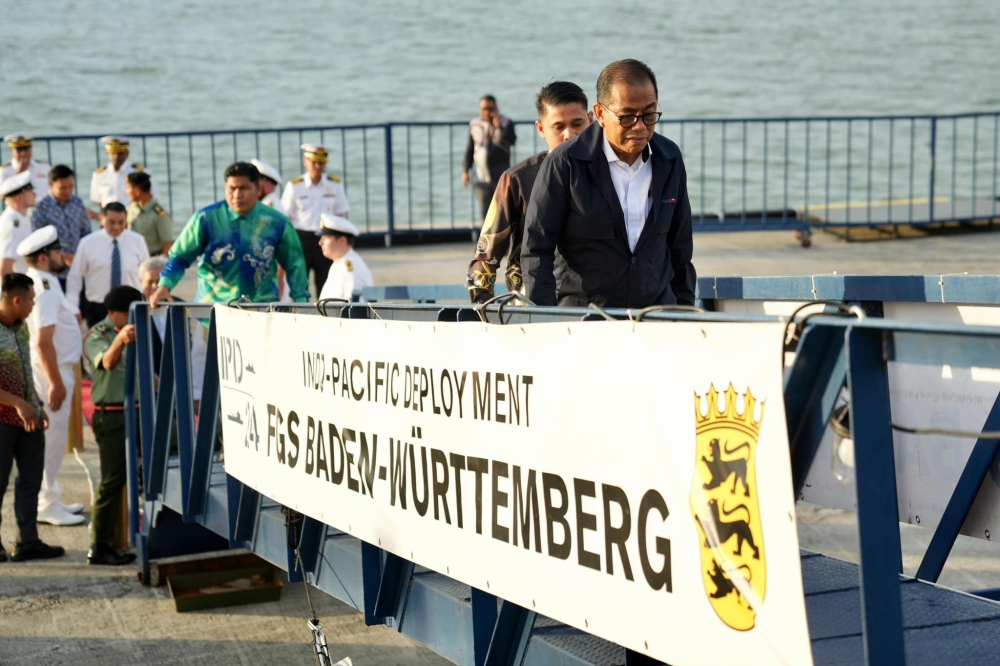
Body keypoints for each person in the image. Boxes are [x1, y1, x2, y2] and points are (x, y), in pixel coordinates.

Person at [522, 59, 696, 308]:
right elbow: (536, 250)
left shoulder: (670, 159)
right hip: (585, 321)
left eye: (649, 114)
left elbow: (680, 250)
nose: (639, 127)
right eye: (626, 117)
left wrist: (684, 312)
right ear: (601, 114)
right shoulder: (565, 164)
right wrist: (547, 321)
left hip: (657, 315)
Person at [468, 82, 592, 303]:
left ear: (591, 120)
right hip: (530, 307)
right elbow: (486, 257)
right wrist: (482, 308)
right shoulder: (517, 180)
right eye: (558, 126)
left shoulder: (610, 174)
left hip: (595, 306)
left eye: (577, 124)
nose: (569, 135)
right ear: (541, 129)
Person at [149, 162, 309, 309]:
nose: (237, 195)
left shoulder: (277, 222)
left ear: (258, 189)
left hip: (261, 309)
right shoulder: (206, 219)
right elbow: (179, 257)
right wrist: (164, 286)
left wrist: (301, 302)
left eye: (244, 188)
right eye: (232, 188)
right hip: (213, 309)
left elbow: (295, 263)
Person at [16, 226, 86, 526]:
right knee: (52, 440)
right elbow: (43, 341)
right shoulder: (42, 287)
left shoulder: (47, 281)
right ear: (45, 257)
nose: (62, 256)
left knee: (55, 441)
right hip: (51, 374)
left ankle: (52, 495)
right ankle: (45, 504)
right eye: (58, 251)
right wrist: (56, 382)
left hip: (57, 370)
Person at [0, 273, 65, 562]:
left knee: (31, 480)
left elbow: (25, 369)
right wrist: (17, 404)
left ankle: (28, 541)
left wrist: (35, 406)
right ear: (17, 299)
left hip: (28, 418)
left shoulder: (22, 326)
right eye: (31, 299)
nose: (33, 304)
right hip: (3, 420)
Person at [82, 286, 143, 566]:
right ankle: (100, 546)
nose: (134, 316)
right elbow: (106, 363)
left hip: (138, 412)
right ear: (112, 313)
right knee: (112, 481)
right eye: (128, 312)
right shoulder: (96, 335)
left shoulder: (135, 331)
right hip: (113, 416)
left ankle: (131, 537)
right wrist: (119, 340)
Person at [280, 144, 349, 295]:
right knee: (300, 283)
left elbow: (340, 215)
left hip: (326, 238)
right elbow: (284, 216)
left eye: (321, 162)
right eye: (314, 162)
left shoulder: (334, 185)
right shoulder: (295, 186)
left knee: (326, 283)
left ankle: (324, 314)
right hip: (301, 238)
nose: (317, 166)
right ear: (305, 161)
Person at [66, 202, 149, 327]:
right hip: (98, 307)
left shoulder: (138, 241)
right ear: (102, 219)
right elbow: (75, 276)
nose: (116, 227)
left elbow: (146, 275)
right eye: (111, 222)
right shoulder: (87, 243)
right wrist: (73, 307)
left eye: (121, 222)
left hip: (131, 306)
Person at [32, 165, 95, 282]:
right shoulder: (41, 208)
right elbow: (38, 243)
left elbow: (86, 232)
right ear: (51, 185)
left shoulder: (77, 202)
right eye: (62, 188)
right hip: (55, 273)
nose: (68, 191)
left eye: (71, 187)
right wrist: (64, 257)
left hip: (79, 270)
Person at [462, 95, 517, 222]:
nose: (487, 112)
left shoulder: (506, 122)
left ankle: (504, 239)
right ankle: (487, 240)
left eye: (490, 108)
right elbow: (470, 149)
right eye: (483, 109)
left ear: (496, 108)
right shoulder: (474, 124)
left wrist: (499, 126)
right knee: (485, 211)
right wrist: (465, 170)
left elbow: (511, 140)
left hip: (501, 174)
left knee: (503, 210)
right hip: (481, 176)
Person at [90, 136, 158, 209]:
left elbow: (151, 197)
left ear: (127, 153)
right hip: (110, 217)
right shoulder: (99, 174)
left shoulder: (140, 173)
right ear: (108, 154)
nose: (116, 157)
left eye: (120, 153)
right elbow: (98, 200)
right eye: (113, 153)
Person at [317, 214, 373, 302]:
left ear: (342, 241)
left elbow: (355, 310)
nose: (320, 243)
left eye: (326, 238)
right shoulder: (339, 263)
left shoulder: (350, 270)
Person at [125, 171, 173, 256]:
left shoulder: (160, 215)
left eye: (128, 188)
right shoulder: (132, 207)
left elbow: (168, 245)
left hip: (151, 259)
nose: (127, 192)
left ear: (137, 190)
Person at [0, 172, 36, 279]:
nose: (34, 194)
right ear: (19, 197)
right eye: (30, 191)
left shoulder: (20, 219)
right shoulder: (12, 224)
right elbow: (5, 267)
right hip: (19, 290)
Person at [0, 134, 50, 200]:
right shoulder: (5, 170)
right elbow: (2, 196)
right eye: (19, 150)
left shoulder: (44, 167)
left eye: (26, 149)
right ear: (12, 151)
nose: (23, 153)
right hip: (20, 209)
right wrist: (19, 174)